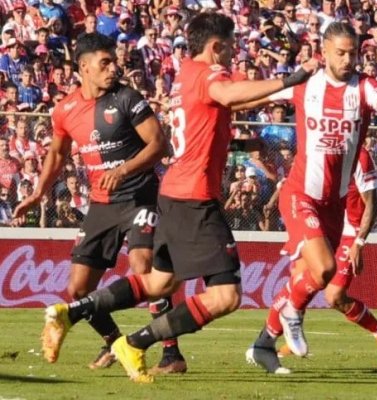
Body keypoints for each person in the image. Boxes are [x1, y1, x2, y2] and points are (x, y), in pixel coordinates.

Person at [36, 13, 317, 383]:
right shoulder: (209, 76)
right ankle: (134, 343)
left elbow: (209, 121)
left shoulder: (185, 75)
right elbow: (229, 93)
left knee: (156, 283)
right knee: (225, 296)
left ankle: (72, 314)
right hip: (193, 199)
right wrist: (293, 77)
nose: (233, 56)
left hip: (168, 194)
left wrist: (237, 142)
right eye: (230, 48)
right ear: (216, 48)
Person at [13, 33, 188, 374]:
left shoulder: (126, 99)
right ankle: (113, 341)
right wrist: (37, 193)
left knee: (143, 266)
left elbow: (158, 145)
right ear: (84, 68)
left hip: (140, 196)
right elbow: (57, 154)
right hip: (102, 204)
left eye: (114, 61)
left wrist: (123, 170)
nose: (113, 68)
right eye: (104, 63)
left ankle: (171, 355)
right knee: (77, 289)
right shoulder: (65, 110)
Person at [243, 22, 377, 374]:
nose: (348, 59)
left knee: (307, 277)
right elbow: (263, 94)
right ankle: (293, 315)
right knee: (325, 269)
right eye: (340, 53)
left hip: (335, 204)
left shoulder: (364, 88)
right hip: (300, 193)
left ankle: (263, 344)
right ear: (324, 52)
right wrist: (227, 102)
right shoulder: (306, 84)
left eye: (353, 53)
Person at [279, 147, 377, 359]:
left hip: (349, 232)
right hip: (321, 227)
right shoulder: (317, 148)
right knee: (299, 279)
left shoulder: (360, 157)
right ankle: (288, 337)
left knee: (334, 296)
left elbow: (371, 203)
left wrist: (359, 242)